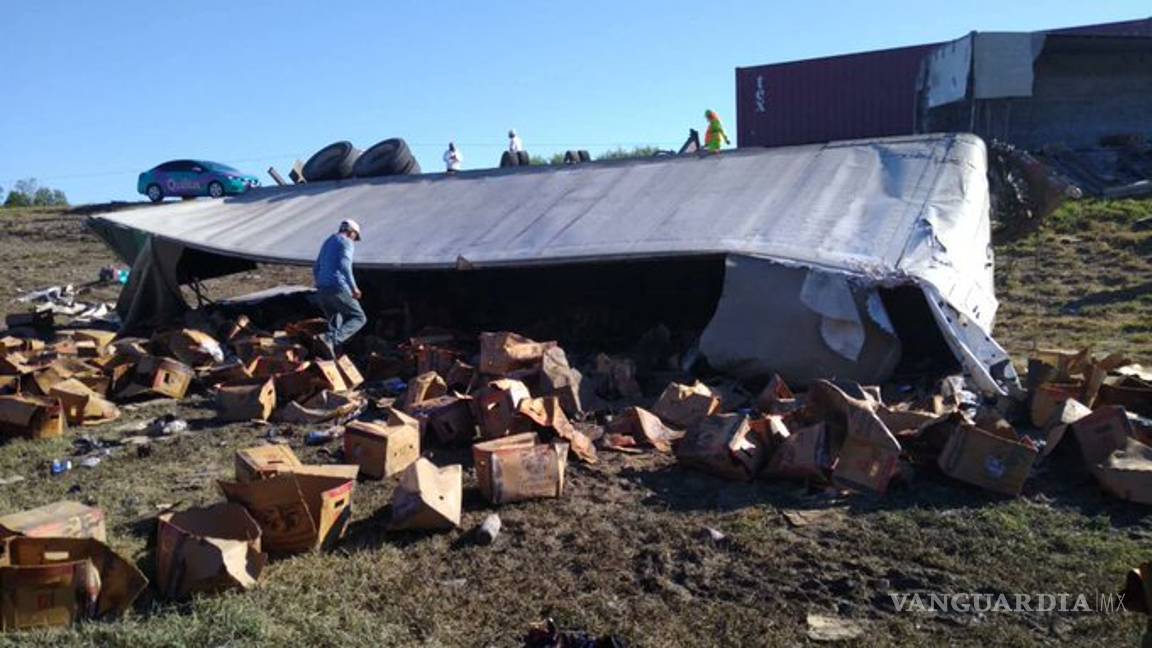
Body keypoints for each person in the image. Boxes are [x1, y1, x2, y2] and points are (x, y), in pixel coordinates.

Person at [312, 219, 366, 359]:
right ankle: (330, 340)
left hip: (323, 289)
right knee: (358, 317)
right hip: (337, 286)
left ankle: (331, 356)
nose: (355, 239)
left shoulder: (328, 241)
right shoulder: (346, 242)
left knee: (336, 321)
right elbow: (345, 267)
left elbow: (316, 267)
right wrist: (354, 288)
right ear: (351, 232)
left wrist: (320, 284)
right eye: (355, 236)